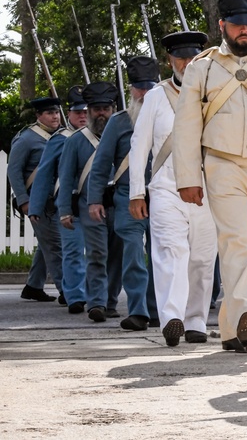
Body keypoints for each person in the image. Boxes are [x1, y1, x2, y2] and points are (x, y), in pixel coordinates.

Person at [174, 0, 247, 354]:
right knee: (239, 244)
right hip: (221, 164)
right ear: (222, 25)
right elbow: (186, 126)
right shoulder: (202, 68)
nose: (244, 30)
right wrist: (188, 178)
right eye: (237, 24)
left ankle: (232, 327)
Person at [129, 31, 218, 346]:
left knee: (203, 260)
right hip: (166, 188)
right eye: (180, 57)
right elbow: (139, 145)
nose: (186, 63)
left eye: (193, 57)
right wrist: (137, 192)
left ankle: (196, 321)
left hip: (208, 190)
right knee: (171, 253)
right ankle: (172, 318)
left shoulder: (214, 92)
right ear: (170, 61)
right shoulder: (155, 96)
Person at [87, 57, 160, 331]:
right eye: (139, 88)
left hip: (162, 195)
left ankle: (156, 310)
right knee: (132, 254)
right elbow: (101, 164)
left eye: (149, 87)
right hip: (128, 196)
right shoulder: (118, 123)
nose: (144, 93)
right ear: (131, 90)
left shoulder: (171, 114)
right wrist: (94, 199)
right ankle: (138, 311)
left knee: (160, 256)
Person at [57, 81, 121, 322]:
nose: (101, 113)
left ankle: (111, 301)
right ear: (90, 110)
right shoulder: (75, 141)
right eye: (96, 109)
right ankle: (96, 303)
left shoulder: (123, 135)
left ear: (113, 109)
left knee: (117, 255)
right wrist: (65, 210)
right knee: (96, 253)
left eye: (105, 108)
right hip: (88, 206)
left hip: (119, 203)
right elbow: (66, 177)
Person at [29, 86, 90, 313]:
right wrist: (35, 205)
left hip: (97, 203)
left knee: (98, 254)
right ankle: (74, 296)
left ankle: (98, 296)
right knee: (72, 251)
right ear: (69, 114)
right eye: (77, 112)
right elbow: (44, 173)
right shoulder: (60, 139)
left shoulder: (102, 136)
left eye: (86, 111)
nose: (82, 115)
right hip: (69, 204)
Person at [8, 96, 64, 303]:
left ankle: (33, 286)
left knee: (46, 245)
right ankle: (67, 291)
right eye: (49, 113)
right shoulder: (26, 139)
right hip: (38, 202)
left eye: (57, 112)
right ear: (38, 115)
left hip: (56, 200)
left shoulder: (59, 136)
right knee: (55, 246)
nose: (55, 116)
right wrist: (24, 200)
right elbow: (13, 171)